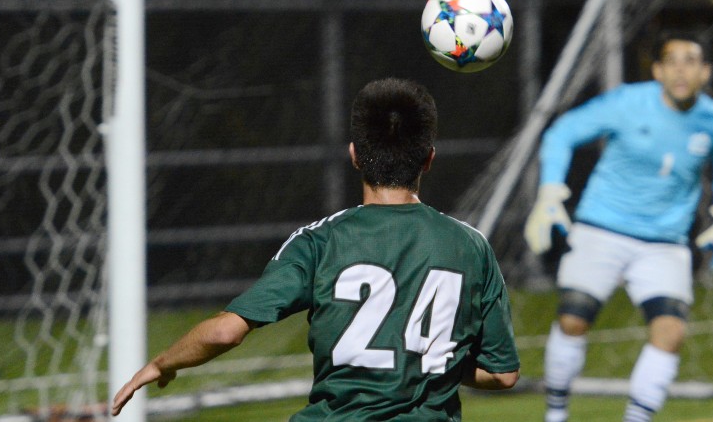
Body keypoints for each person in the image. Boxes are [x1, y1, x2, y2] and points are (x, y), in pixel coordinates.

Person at [112, 78, 520, 420]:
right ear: (428, 159)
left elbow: (226, 331)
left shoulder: (321, 240)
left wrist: (162, 362)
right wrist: (427, 364)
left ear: (355, 155)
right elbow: (502, 375)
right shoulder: (470, 246)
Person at [524, 32, 713, 422]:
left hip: (664, 243)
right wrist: (550, 190)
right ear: (658, 71)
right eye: (671, 60)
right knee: (573, 318)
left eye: (690, 60)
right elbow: (562, 132)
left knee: (671, 333)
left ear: (705, 72)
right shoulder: (627, 102)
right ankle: (555, 414)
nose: (681, 69)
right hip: (601, 228)